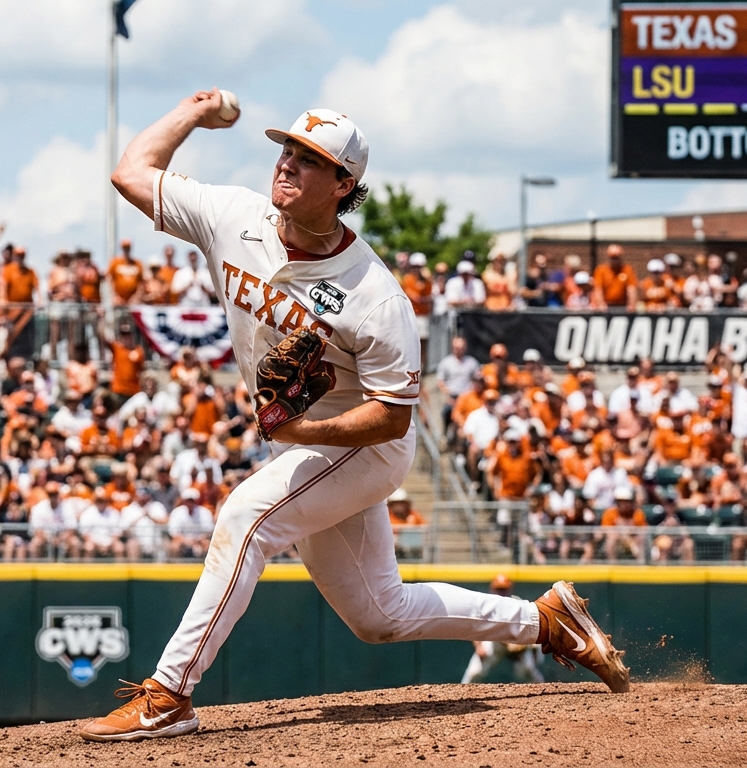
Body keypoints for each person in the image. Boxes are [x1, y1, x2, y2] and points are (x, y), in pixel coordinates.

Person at [80, 90, 626, 743]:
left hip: (364, 446)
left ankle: (169, 695)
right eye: (286, 149)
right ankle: (547, 622)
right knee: (379, 615)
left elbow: (392, 419)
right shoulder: (233, 216)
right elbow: (131, 173)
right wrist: (195, 112)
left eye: (309, 159)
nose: (287, 164)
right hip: (303, 447)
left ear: (345, 184)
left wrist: (302, 431)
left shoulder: (374, 294)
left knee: (244, 520)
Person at [459, 575, 544, 685]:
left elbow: (531, 625)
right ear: (493, 589)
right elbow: (475, 625)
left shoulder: (518, 603)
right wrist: (479, 646)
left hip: (516, 643)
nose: (501, 592)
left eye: (504, 589)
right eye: (499, 589)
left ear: (509, 589)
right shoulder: (486, 604)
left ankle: (545, 690)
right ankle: (462, 692)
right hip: (494, 642)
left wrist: (530, 647)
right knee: (475, 671)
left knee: (527, 670)